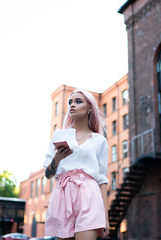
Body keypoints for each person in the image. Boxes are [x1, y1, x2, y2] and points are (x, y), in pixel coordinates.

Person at [43, 89, 110, 240]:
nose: (72, 105)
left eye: (78, 101)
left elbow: (102, 180)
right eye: (70, 102)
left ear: (90, 107)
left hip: (89, 195)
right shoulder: (59, 135)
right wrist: (57, 159)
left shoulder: (99, 140)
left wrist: (105, 218)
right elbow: (48, 174)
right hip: (63, 195)